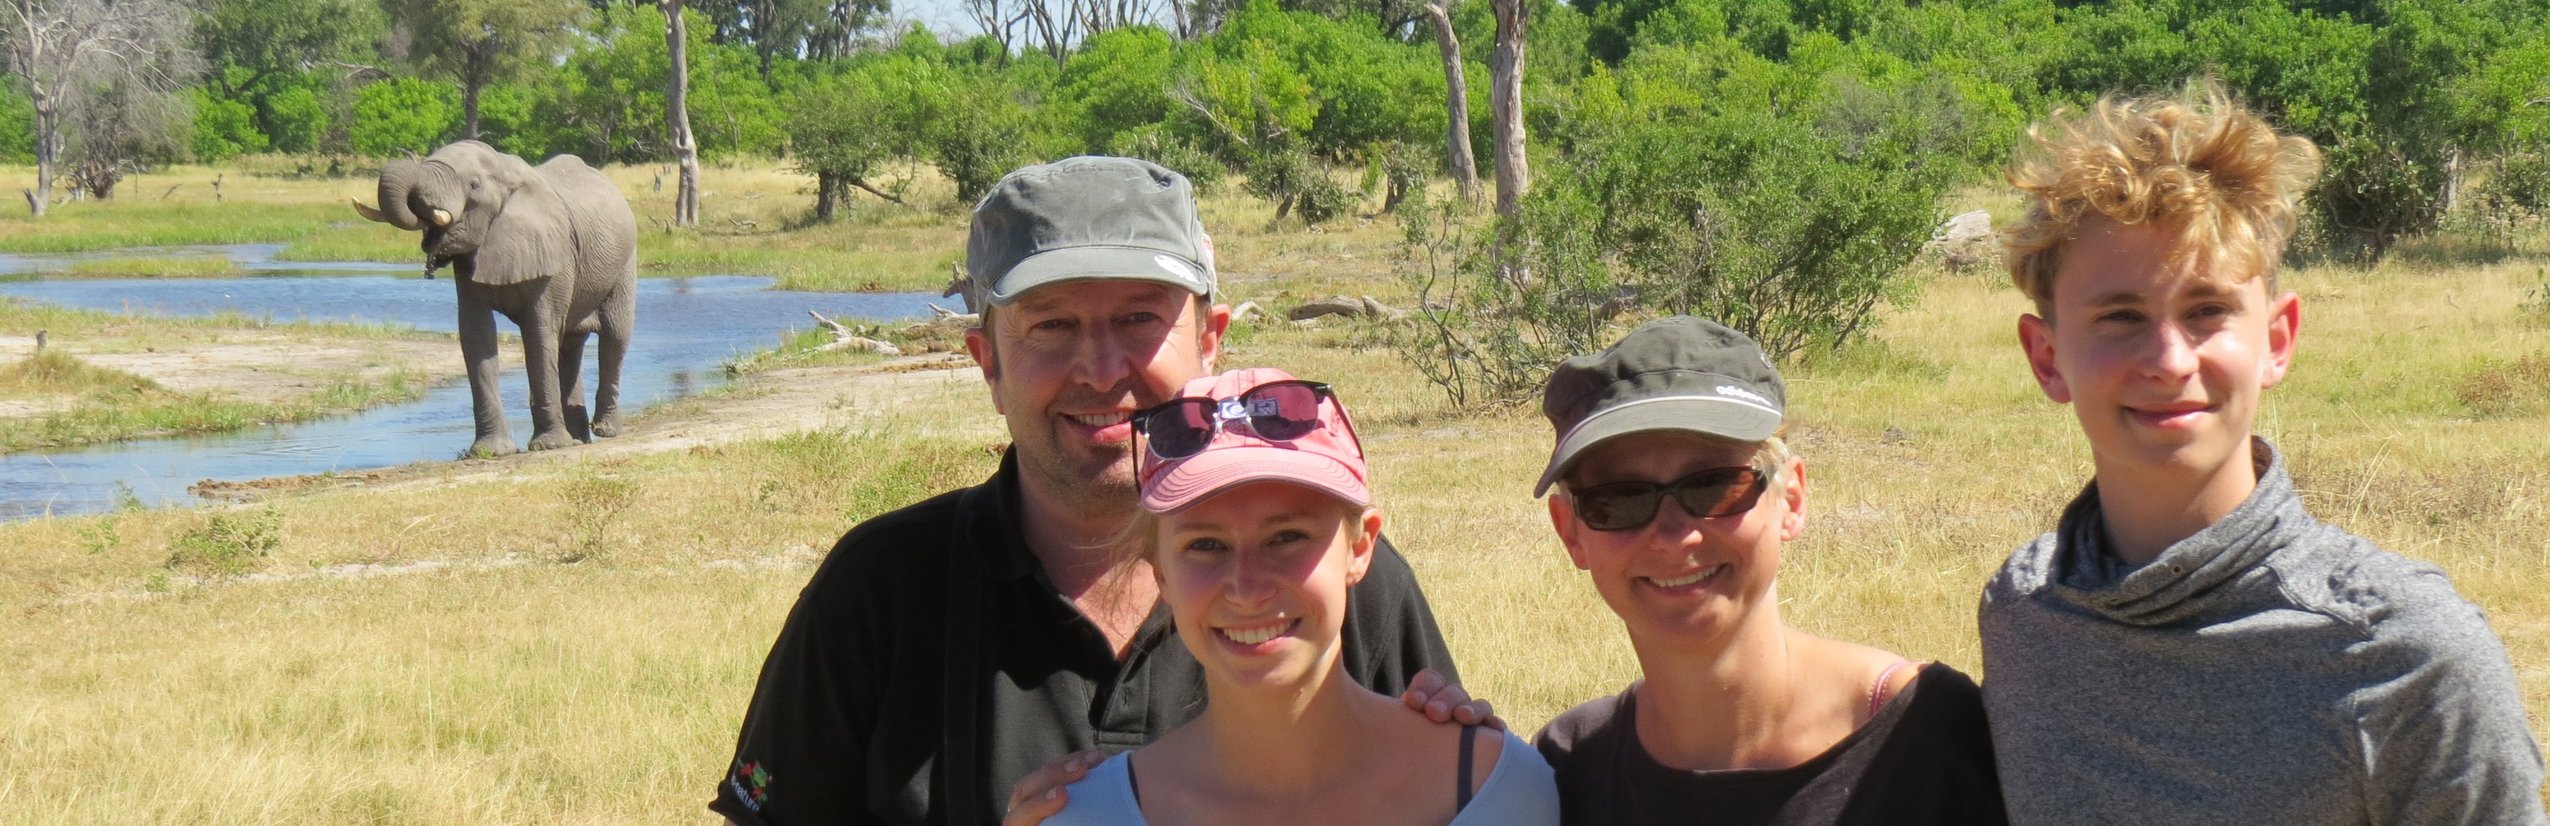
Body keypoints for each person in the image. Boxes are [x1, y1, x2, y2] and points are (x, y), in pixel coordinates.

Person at [711, 157, 1482, 826]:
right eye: (1051, 326)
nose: (1102, 369)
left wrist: (1461, 746)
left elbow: (1440, 792)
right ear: (988, 361)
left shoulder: (1340, 582)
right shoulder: (881, 589)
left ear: (1210, 339)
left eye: (1140, 319)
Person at [1982, 82, 2547, 824]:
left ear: (2276, 340)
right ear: (2047, 356)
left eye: (2207, 311)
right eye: (2121, 317)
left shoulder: (2403, 652)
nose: (2170, 359)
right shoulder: (2026, 612)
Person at [1530, 316, 2006, 825]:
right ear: (1571, 533)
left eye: (1714, 486)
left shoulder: (1928, 737)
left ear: (1792, 499)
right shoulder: (1566, 770)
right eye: (1619, 499)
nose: (1674, 536)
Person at [1044, 367, 1560, 825]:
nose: (1247, 587)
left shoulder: (1496, 789)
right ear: (1161, 574)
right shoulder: (1087, 813)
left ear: (1360, 547)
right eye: (1205, 545)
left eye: (1286, 537)